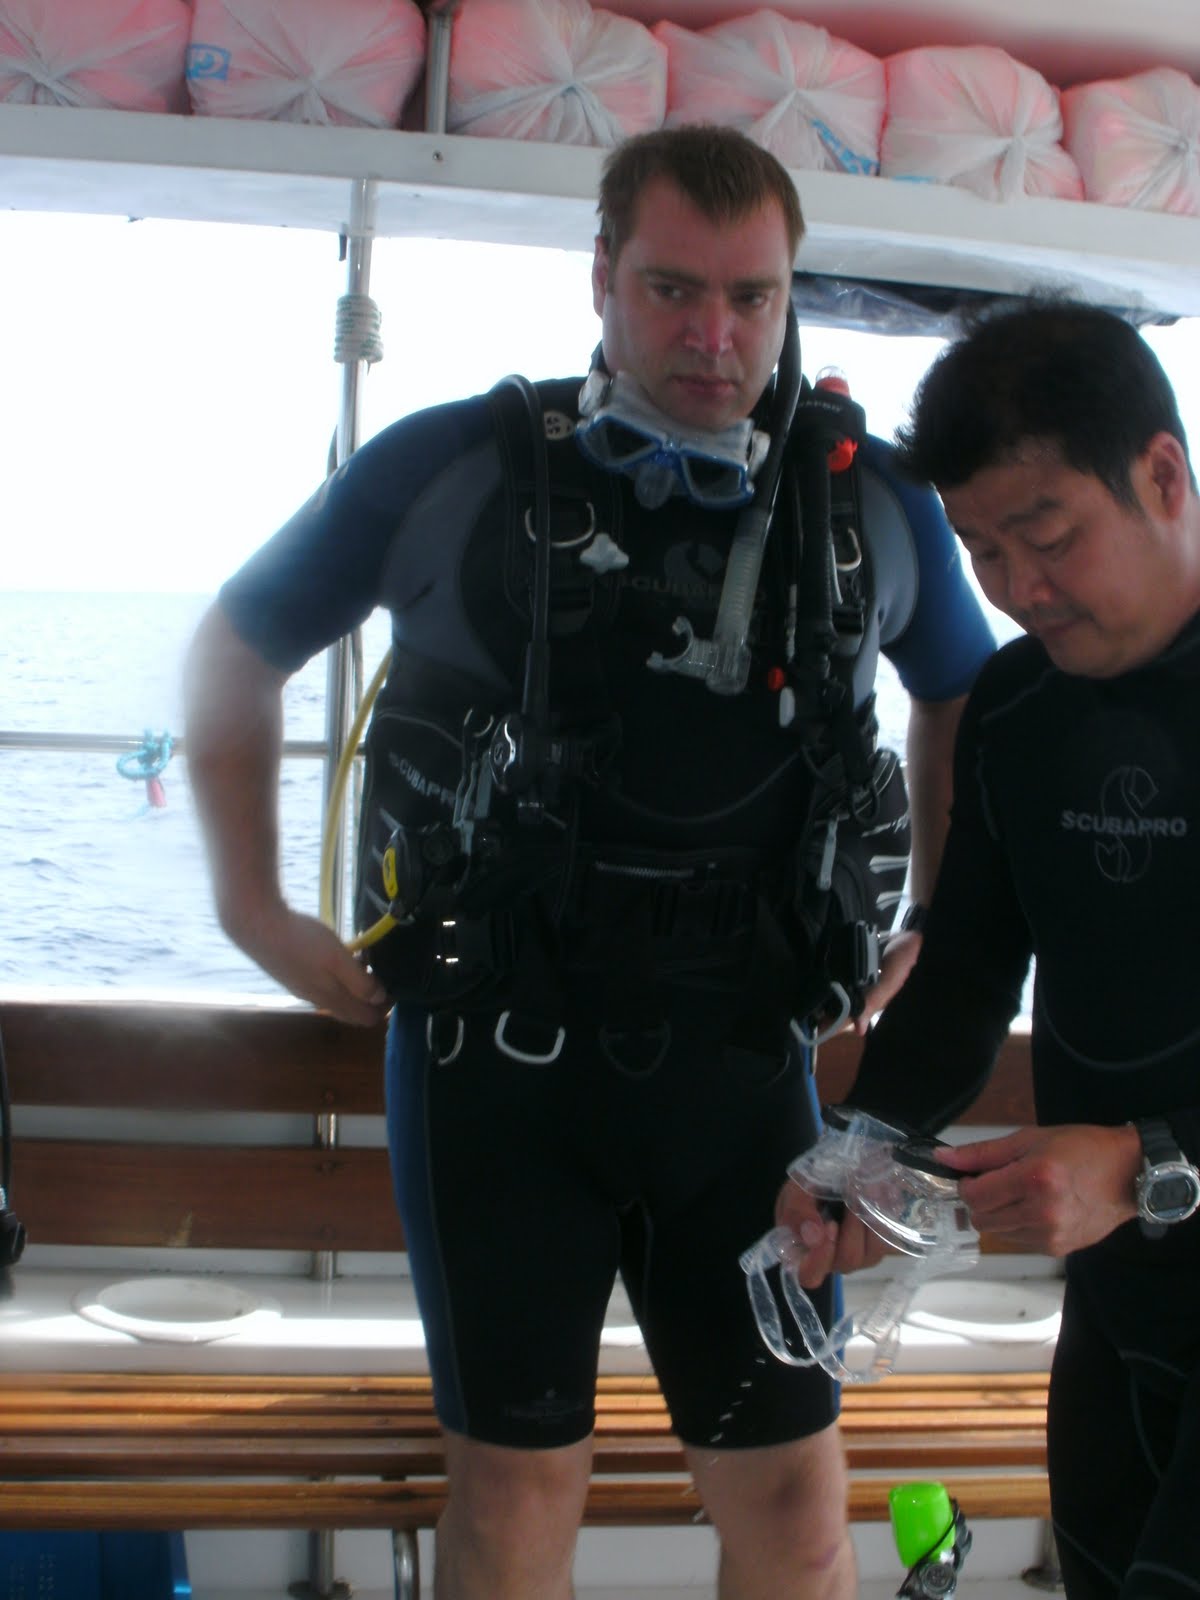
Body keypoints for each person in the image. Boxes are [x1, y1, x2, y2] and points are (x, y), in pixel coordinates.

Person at [185, 125, 994, 1600]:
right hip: (497, 1070)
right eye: (673, 289)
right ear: (603, 276)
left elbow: (959, 692)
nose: (714, 336)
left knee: (799, 1512)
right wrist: (251, 906)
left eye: (752, 297)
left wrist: (935, 908)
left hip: (746, 1076)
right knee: (513, 1501)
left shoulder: (869, 501)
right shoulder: (454, 468)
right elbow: (238, 645)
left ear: (789, 293)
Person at [778, 301, 1200, 1600]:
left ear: (1164, 477)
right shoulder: (1018, 708)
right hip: (1120, 1319)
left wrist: (1153, 1163)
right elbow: (964, 979)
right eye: (981, 550)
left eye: (1049, 536)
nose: (1017, 589)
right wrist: (858, 1156)